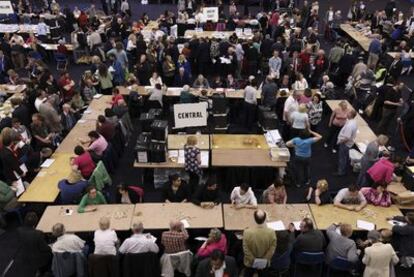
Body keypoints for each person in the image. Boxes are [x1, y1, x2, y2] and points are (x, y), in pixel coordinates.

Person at [242, 209, 277, 276]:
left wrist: (254, 261)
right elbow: (272, 248)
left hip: (250, 263)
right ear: (265, 219)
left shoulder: (247, 232)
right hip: (264, 264)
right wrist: (263, 262)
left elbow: (246, 249)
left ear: (254, 218)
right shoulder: (271, 232)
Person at [335, 110, 358, 176]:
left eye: (348, 112)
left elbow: (347, 137)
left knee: (342, 157)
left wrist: (339, 142)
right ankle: (343, 167)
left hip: (345, 144)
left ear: (351, 115)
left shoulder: (350, 126)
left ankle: (341, 171)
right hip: (349, 143)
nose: (347, 113)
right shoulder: (353, 122)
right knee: (344, 156)